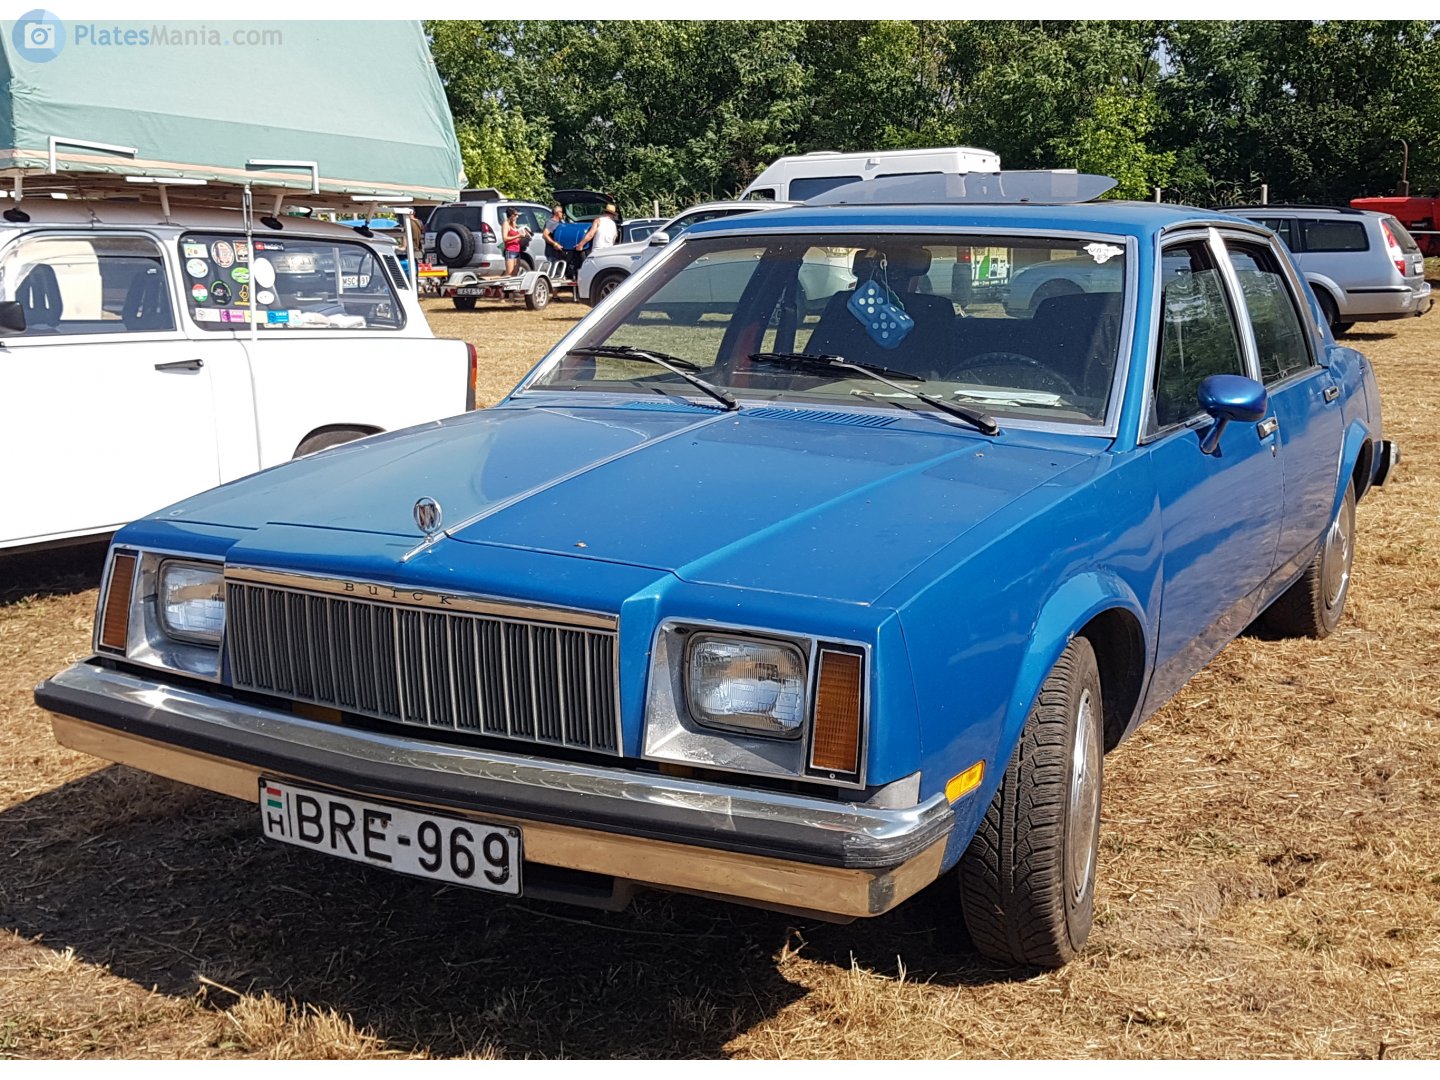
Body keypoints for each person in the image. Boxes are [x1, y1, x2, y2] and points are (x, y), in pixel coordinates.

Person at [502, 208, 527, 276]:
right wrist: (517, 235)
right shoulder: (506, 224)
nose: (517, 216)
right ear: (511, 215)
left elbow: (516, 237)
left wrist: (522, 236)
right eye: (515, 215)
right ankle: (502, 285)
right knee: (509, 273)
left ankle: (512, 286)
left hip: (517, 250)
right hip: (510, 250)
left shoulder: (514, 224)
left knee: (515, 271)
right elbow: (505, 238)